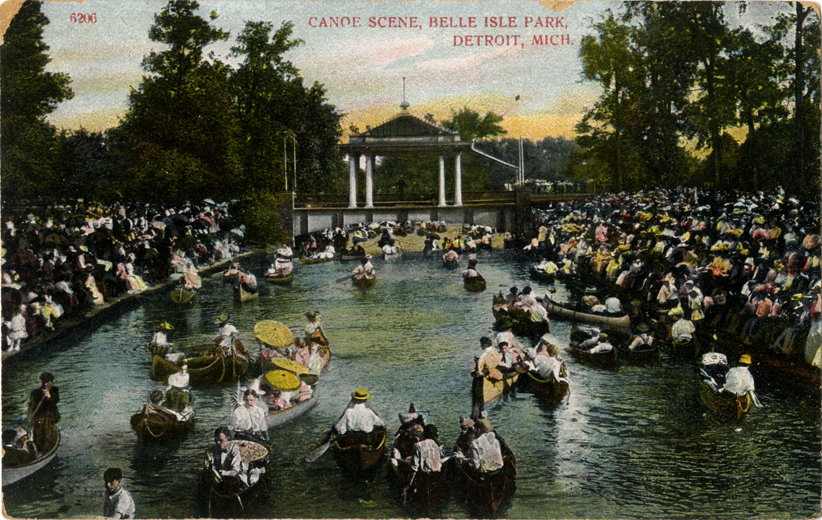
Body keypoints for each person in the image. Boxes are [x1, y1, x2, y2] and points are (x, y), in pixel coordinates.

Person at [27, 372, 60, 453]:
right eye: (44, 382)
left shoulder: (54, 390)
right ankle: (37, 450)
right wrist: (29, 418)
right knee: (37, 433)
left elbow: (55, 401)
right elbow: (31, 407)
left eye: (48, 382)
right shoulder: (35, 393)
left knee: (47, 430)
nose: (46, 384)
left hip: (51, 415)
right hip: (38, 416)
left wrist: (48, 395)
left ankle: (46, 450)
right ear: (41, 382)